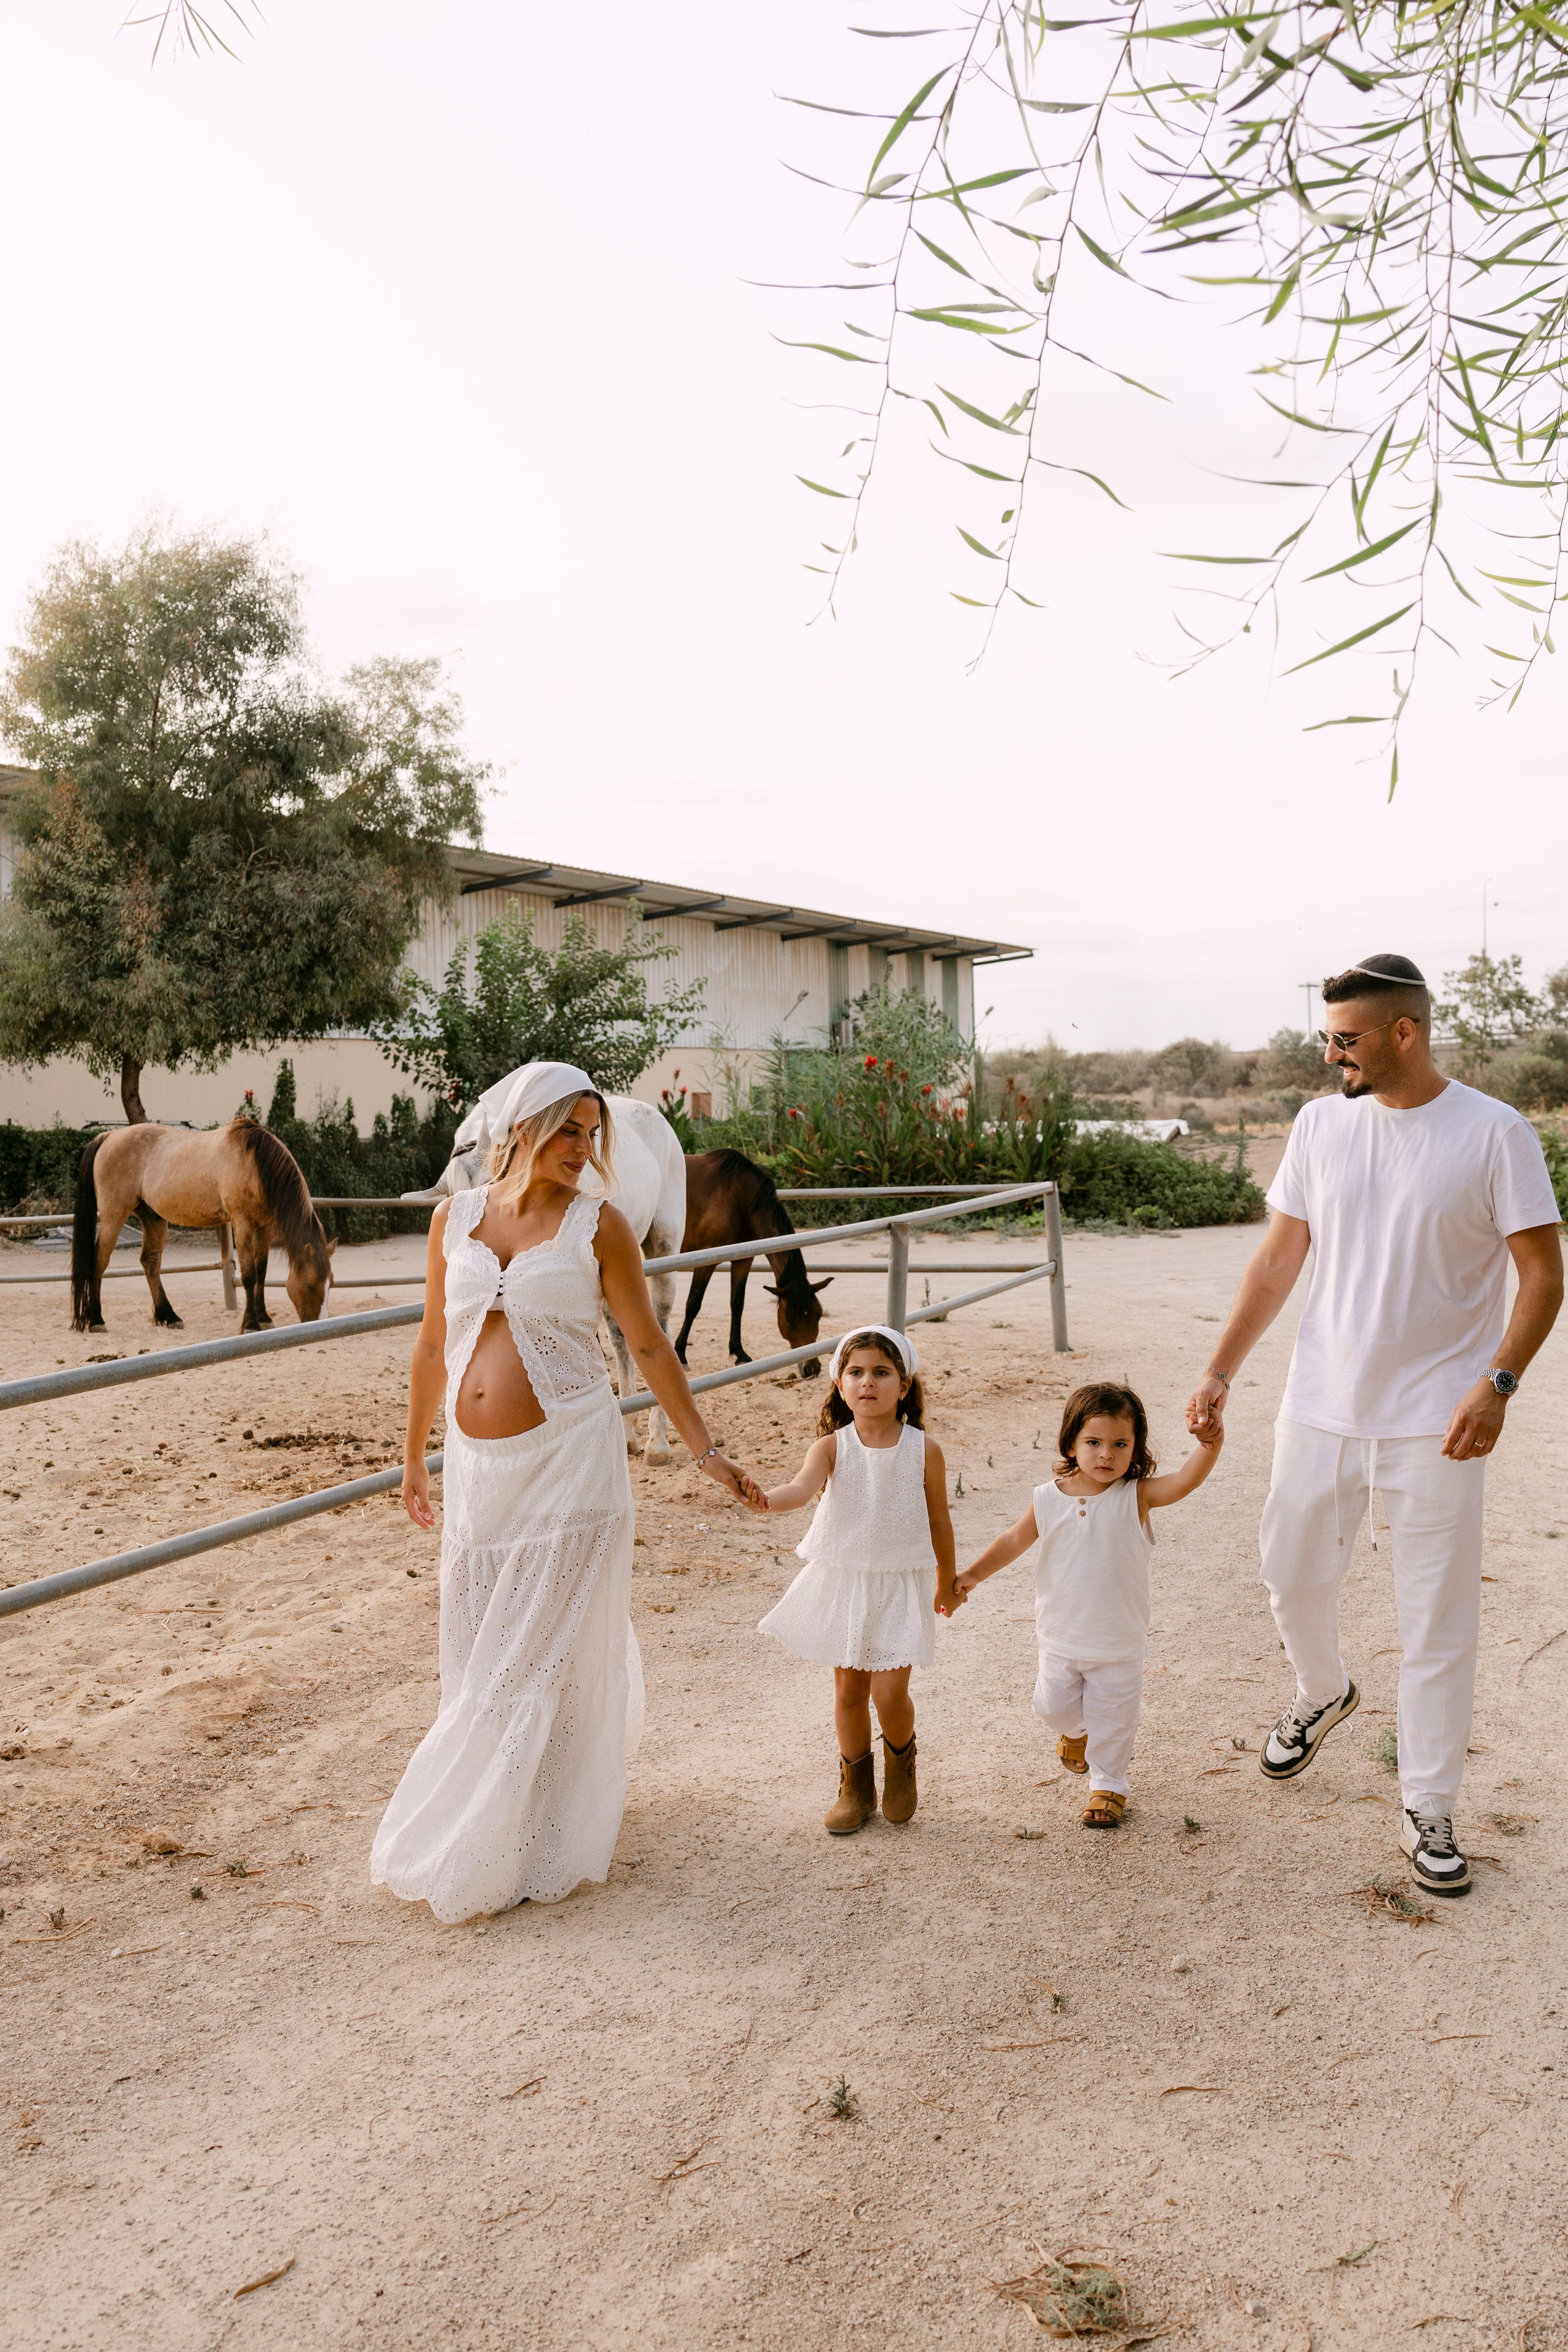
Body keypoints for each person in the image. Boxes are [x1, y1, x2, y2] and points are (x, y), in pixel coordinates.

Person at [1187, 955, 1563, 1897]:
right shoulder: (1320, 1126)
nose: (1330, 1055)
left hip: (1436, 1421)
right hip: (1321, 1404)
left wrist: (1499, 1384)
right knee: (1288, 1570)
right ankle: (1323, 1691)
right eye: (1327, 1037)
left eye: (1345, 1039)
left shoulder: (1494, 1133)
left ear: (1405, 1032)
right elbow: (1278, 1263)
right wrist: (1220, 1369)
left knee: (1438, 1620)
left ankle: (1428, 1805)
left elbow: (1544, 1275)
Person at [371, 1063, 761, 1923]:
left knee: (538, 1645)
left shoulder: (601, 1226)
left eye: (594, 1135)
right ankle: (499, 1815)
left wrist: (705, 1452)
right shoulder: (456, 1219)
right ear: (520, 1131)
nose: (585, 1151)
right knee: (481, 1646)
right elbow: (435, 1343)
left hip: (573, 1462)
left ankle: (525, 1829)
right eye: (569, 1133)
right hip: (478, 1471)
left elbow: (650, 1347)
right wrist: (412, 1457)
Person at [956, 1382, 1222, 1827]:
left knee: (1115, 1720)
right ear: (1071, 1443)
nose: (1107, 1454)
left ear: (1135, 1447)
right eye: (1094, 1442)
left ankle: (1108, 1785)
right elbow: (1013, 1540)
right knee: (1052, 1705)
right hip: (1061, 1636)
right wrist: (971, 1576)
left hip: (1119, 1642)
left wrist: (1210, 1445)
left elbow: (1183, 1481)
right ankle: (1075, 1735)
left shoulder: (1136, 1495)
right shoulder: (1047, 1498)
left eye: (1121, 1444)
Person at [755, 1325, 959, 1834]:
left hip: (898, 1584)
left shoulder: (923, 1450)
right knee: (848, 1692)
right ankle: (856, 1786)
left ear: (905, 1385)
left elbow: (939, 1521)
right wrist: (764, 1498)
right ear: (840, 1385)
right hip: (847, 1584)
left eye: (882, 1373)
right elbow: (800, 1490)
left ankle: (901, 1764)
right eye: (856, 1372)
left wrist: (947, 1579)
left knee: (889, 1693)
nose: (868, 1382)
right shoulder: (831, 1447)